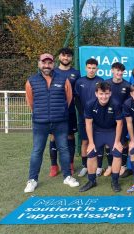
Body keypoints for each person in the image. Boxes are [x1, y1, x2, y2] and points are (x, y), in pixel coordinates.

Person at [24, 53, 80, 193]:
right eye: (44, 63)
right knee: (37, 151)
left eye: (49, 63)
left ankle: (67, 176)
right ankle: (32, 180)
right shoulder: (31, 81)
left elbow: (68, 99)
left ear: (53, 64)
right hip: (40, 123)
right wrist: (41, 113)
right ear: (39, 64)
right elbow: (31, 102)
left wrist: (59, 112)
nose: (46, 65)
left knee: (64, 149)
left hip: (60, 122)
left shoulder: (63, 79)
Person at [78, 82, 123, 192]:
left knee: (117, 153)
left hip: (112, 131)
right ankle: (91, 181)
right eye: (101, 93)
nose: (104, 96)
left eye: (106, 94)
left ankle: (115, 181)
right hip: (97, 132)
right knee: (91, 153)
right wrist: (91, 142)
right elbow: (88, 124)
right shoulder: (90, 104)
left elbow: (120, 123)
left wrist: (117, 141)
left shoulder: (116, 104)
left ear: (110, 93)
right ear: (96, 94)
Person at [48, 48, 80, 177]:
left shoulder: (76, 73)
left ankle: (70, 164)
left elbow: (78, 93)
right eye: (63, 55)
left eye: (68, 56)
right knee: (53, 137)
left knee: (70, 136)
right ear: (59, 57)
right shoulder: (53, 72)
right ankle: (54, 166)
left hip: (70, 111)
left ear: (71, 58)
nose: (65, 58)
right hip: (54, 111)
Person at [74, 58, 104, 177]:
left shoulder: (101, 81)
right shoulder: (79, 81)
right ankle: (85, 166)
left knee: (99, 142)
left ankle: (99, 167)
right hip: (84, 117)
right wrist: (83, 113)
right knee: (85, 141)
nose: (91, 70)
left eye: (94, 68)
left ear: (97, 69)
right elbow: (76, 99)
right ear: (86, 68)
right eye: (89, 68)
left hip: (98, 117)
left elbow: (103, 98)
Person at [101, 62, 130, 177]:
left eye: (121, 71)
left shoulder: (127, 85)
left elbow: (129, 103)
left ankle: (123, 166)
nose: (119, 73)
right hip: (108, 117)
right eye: (116, 70)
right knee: (108, 142)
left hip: (121, 118)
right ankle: (110, 166)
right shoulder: (106, 83)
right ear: (112, 70)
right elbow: (102, 99)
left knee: (123, 142)